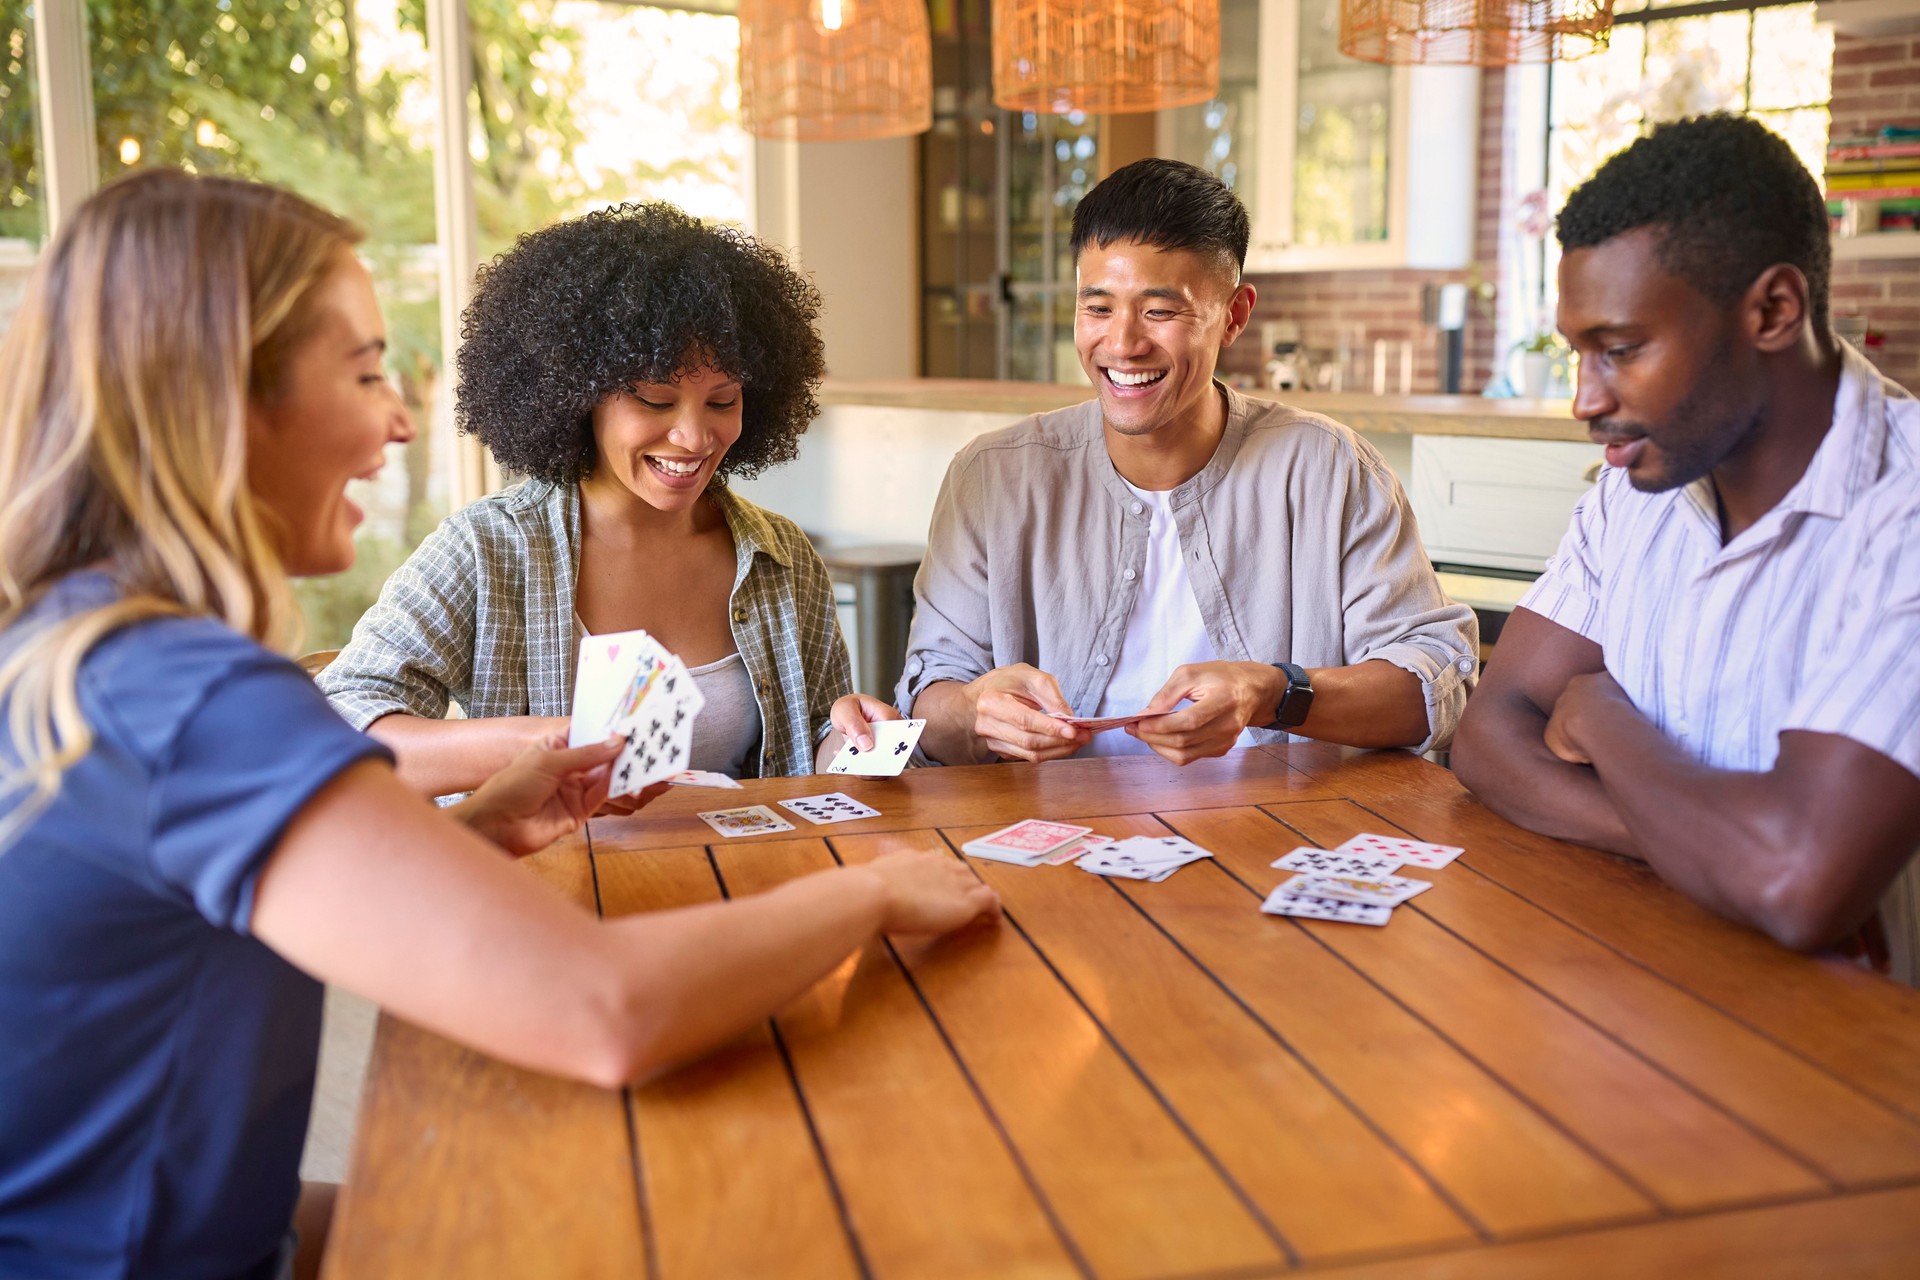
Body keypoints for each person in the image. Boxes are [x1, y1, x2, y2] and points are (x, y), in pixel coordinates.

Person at [0, 171, 999, 1280]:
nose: (398, 416)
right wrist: (875, 889)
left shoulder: (85, 651)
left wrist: (469, 831)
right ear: (219, 397)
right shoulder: (198, 702)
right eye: (369, 370)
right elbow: (604, 1008)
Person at [1450, 114, 1920, 982]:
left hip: (1856, 1058)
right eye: (1577, 354)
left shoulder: (1906, 511)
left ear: (1773, 310)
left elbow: (1795, 881)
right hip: (1637, 989)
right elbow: (1487, 739)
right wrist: (1713, 852)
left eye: (1620, 349)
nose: (1585, 401)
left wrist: (1602, 719)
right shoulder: (1636, 492)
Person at [889, 159, 1477, 766]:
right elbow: (928, 703)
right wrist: (976, 712)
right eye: (1097, 309)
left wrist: (1273, 694)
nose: (1122, 344)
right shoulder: (991, 478)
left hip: (1280, 836)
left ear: (1236, 315)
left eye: (1160, 311)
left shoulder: (1330, 470)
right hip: (1056, 836)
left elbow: (1436, 687)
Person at [318, 203, 895, 797]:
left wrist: (848, 741)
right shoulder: (489, 549)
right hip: (548, 885)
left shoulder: (781, 556)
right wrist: (544, 747)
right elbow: (338, 731)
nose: (695, 437)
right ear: (576, 393)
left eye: (722, 402)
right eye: (653, 399)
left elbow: (811, 741)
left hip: (744, 878)